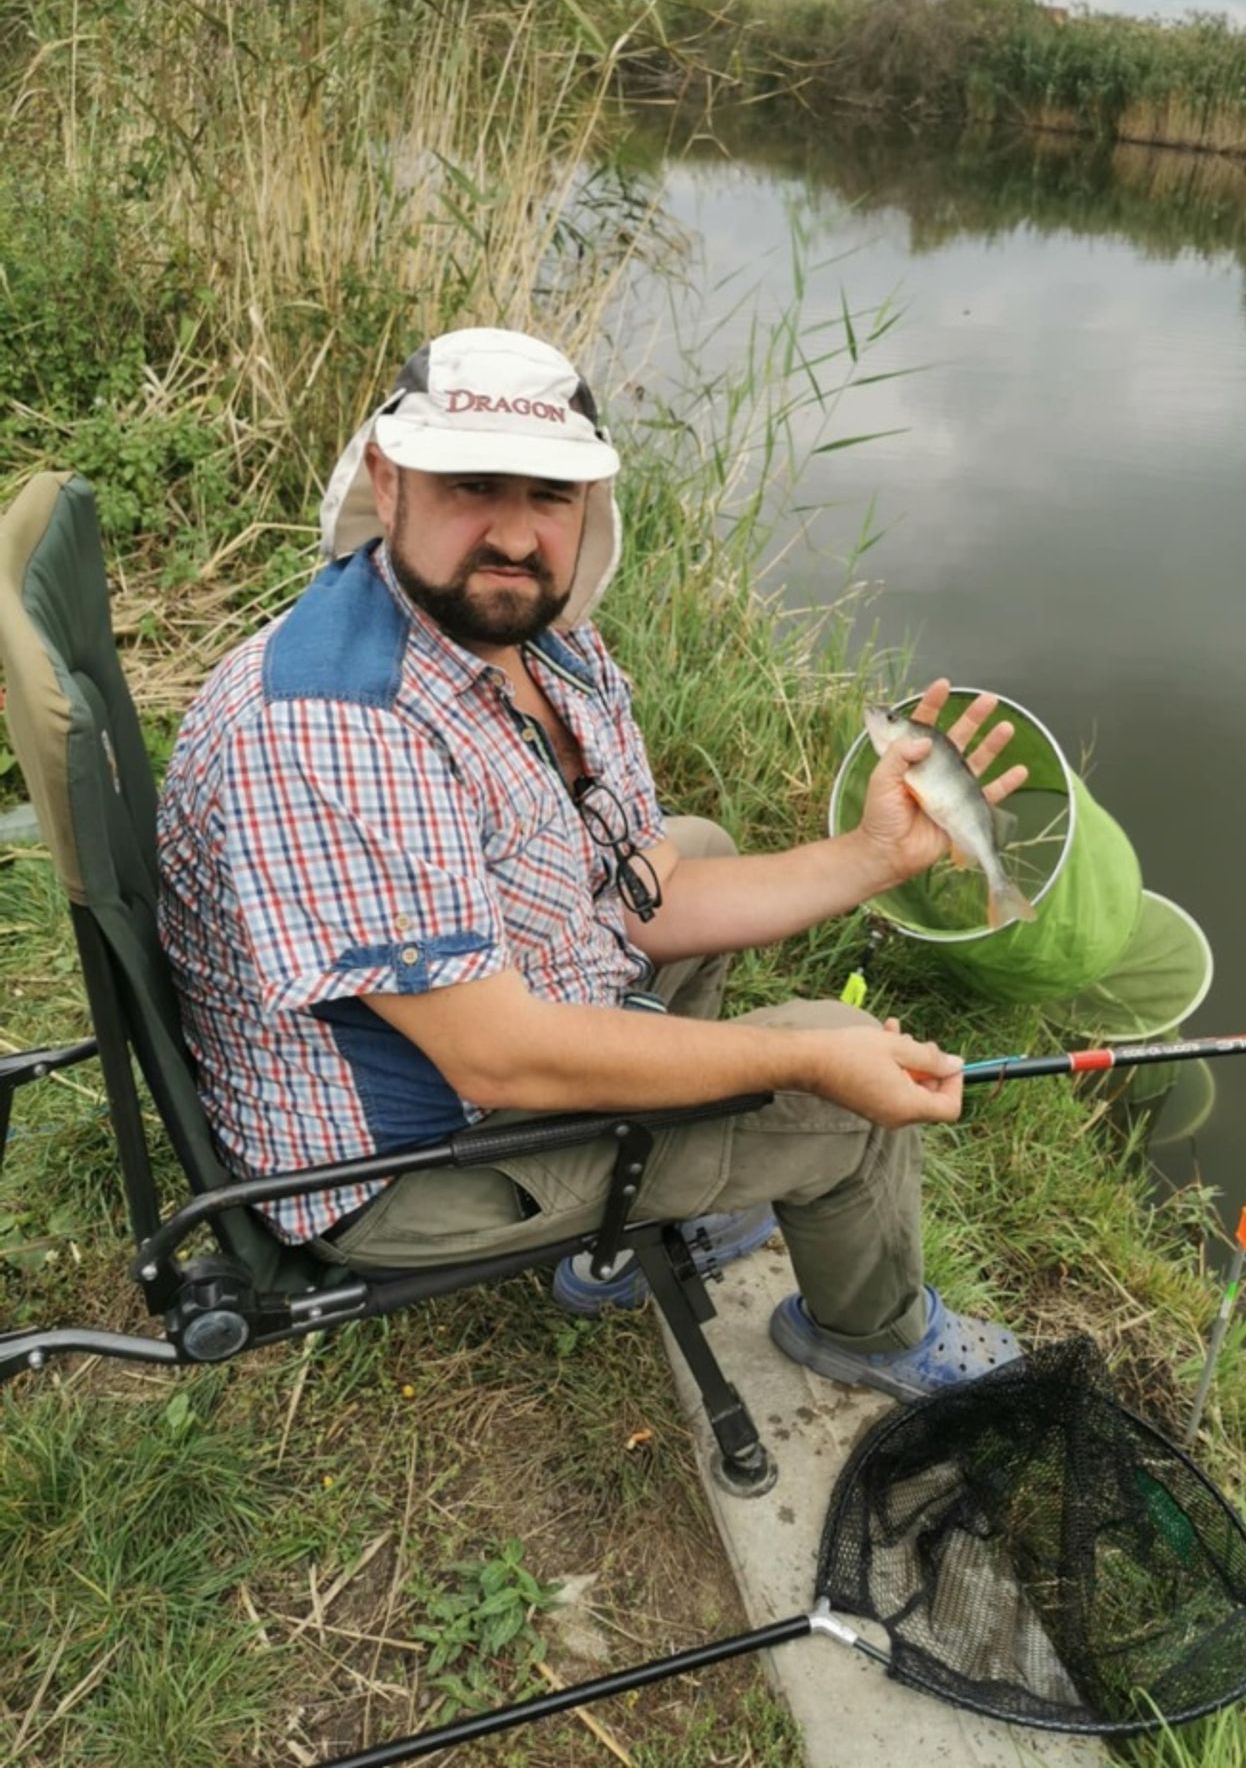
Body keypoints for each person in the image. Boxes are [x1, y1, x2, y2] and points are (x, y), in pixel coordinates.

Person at [157, 327, 1029, 1399]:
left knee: (693, 846)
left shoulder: (536, 639)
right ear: (388, 482)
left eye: (550, 495)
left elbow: (651, 894)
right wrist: (805, 1062)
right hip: (402, 1164)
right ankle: (872, 1333)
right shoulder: (338, 725)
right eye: (472, 485)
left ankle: (652, 1199)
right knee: (845, 1089)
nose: (514, 534)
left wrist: (873, 854)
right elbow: (501, 1062)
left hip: (481, 1042)